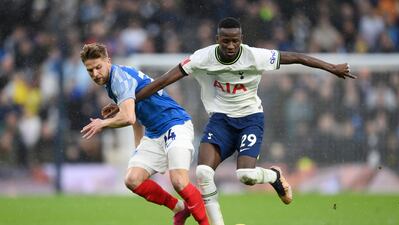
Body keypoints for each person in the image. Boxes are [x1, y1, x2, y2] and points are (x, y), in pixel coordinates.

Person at [103, 17, 356, 225]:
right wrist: (127, 100)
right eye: (226, 41)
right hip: (220, 121)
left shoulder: (255, 56)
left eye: (235, 41)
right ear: (218, 40)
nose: (231, 45)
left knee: (245, 175)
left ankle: (274, 177)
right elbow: (162, 81)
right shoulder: (203, 57)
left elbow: (297, 57)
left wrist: (331, 67)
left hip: (250, 119)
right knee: (202, 173)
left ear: (241, 40)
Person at [79, 43, 209, 225]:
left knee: (179, 181)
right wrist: (138, 147)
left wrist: (103, 123)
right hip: (154, 134)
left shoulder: (119, 79)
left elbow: (128, 117)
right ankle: (179, 208)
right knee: (133, 179)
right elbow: (136, 117)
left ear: (108, 61)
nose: (95, 74)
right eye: (90, 70)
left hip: (175, 123)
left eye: (98, 67)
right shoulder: (113, 81)